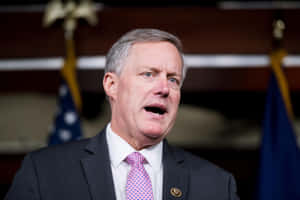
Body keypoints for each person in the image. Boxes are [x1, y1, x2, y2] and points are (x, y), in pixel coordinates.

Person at [5, 29, 239, 200]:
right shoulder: (44, 172)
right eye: (149, 74)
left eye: (173, 79)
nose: (164, 88)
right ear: (111, 85)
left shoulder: (217, 186)